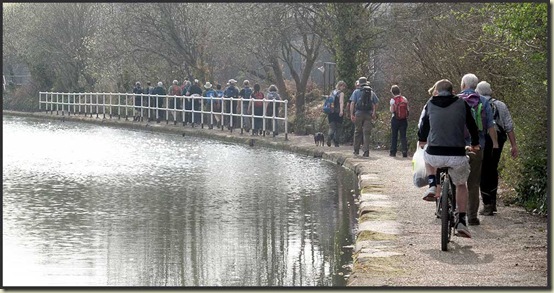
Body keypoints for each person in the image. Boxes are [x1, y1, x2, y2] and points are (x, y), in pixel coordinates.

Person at [418, 79, 481, 238]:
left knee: (426, 155)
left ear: (437, 91)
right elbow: (472, 125)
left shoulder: (430, 103)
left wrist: (422, 139)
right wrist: (475, 144)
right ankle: (461, 220)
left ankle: (432, 185)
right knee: (461, 184)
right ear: (453, 91)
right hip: (456, 155)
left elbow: (423, 124)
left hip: (435, 154)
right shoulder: (461, 103)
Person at [458, 73, 499, 226]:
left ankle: (457, 213)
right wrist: (494, 143)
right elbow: (490, 125)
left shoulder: (455, 100)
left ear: (463, 84)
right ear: (475, 86)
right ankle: (472, 217)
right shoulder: (482, 100)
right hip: (477, 146)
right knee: (473, 183)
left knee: (457, 181)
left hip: (458, 146)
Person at [476, 81, 518, 216]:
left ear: (478, 92)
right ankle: (493, 201)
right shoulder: (501, 105)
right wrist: (514, 145)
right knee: (493, 168)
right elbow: (509, 127)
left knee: (483, 170)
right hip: (498, 140)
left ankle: (487, 203)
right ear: (490, 91)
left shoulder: (477, 103)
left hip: (483, 139)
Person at [349, 77, 379, 157]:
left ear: (359, 83)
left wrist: (351, 114)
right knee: (366, 133)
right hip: (368, 114)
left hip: (358, 113)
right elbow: (376, 103)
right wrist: (374, 113)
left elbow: (352, 103)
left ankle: (356, 150)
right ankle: (366, 151)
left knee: (357, 131)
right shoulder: (371, 92)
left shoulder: (356, 91)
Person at [389, 85, 409, 157]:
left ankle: (393, 152)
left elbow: (392, 110)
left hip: (395, 119)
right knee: (403, 136)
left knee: (394, 136)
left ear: (392, 92)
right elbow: (408, 109)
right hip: (404, 119)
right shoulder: (404, 99)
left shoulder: (393, 100)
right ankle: (404, 151)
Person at [327, 81, 347, 147]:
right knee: (338, 127)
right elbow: (341, 102)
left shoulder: (332, 92)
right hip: (338, 112)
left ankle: (329, 136)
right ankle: (336, 142)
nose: (344, 88)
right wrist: (341, 111)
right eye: (343, 86)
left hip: (331, 112)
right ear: (340, 86)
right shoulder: (341, 93)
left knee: (331, 127)